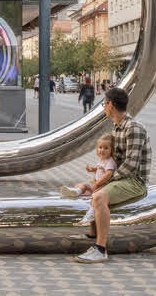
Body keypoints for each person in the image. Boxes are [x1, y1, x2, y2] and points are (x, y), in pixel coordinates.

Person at [74, 87, 150, 264]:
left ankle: (100, 249)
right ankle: (92, 232)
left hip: (134, 181)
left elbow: (131, 164)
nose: (103, 108)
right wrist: (97, 175)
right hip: (119, 178)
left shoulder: (134, 128)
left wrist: (104, 183)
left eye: (103, 104)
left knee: (99, 196)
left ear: (110, 105)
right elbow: (111, 162)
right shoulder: (117, 128)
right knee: (84, 187)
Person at [60, 134, 115, 200]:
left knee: (85, 186)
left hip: (102, 184)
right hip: (97, 183)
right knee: (79, 185)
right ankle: (80, 192)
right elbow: (99, 169)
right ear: (97, 149)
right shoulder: (102, 159)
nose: (102, 150)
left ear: (111, 150)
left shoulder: (110, 161)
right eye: (100, 147)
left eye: (106, 148)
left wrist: (97, 183)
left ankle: (77, 192)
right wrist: (92, 169)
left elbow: (108, 174)